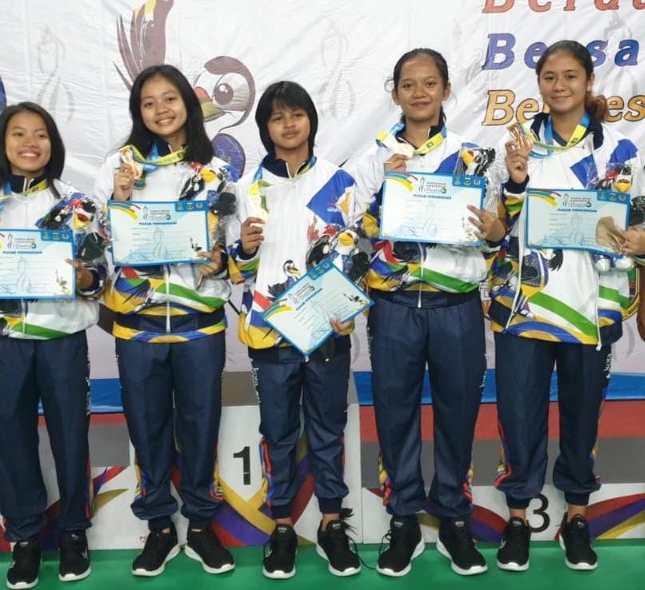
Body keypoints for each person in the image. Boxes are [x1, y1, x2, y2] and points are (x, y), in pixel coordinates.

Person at [490, 40, 645, 572]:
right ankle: (518, 518)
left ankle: (576, 518)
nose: (559, 86)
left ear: (588, 81)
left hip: (592, 308)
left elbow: (641, 221)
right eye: (550, 77)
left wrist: (639, 240)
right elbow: (495, 228)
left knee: (582, 418)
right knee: (518, 415)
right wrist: (515, 181)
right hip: (525, 306)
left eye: (570, 76)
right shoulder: (515, 144)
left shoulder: (621, 151)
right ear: (539, 83)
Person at [349, 48, 505, 577]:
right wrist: (381, 196)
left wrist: (494, 231)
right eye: (409, 84)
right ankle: (404, 518)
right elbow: (353, 238)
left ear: (445, 90)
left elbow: (493, 235)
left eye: (430, 83)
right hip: (393, 306)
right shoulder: (372, 160)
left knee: (458, 413)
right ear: (394, 93)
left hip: (455, 305)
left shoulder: (474, 158)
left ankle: (454, 516)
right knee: (395, 414)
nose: (419, 93)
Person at [93, 65, 236, 577]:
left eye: (170, 98)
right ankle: (158, 526)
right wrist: (120, 200)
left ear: (187, 104)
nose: (161, 110)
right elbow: (94, 244)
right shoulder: (119, 167)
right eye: (149, 102)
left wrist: (221, 261)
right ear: (139, 111)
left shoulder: (217, 170)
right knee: (147, 428)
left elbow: (236, 249)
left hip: (200, 322)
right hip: (139, 324)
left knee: (201, 425)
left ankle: (199, 526)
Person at [227, 81, 361, 579]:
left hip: (326, 330)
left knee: (327, 432)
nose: (288, 124)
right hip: (269, 333)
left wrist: (346, 307)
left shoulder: (339, 182)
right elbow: (234, 271)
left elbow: (352, 257)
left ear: (310, 120)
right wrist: (243, 249)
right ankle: (281, 526)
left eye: (296, 114)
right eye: (277, 116)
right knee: (278, 434)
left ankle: (331, 523)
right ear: (265, 127)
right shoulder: (245, 189)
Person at [0, 101, 108, 588]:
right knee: (10, 438)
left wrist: (85, 276)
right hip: (2, 338)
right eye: (19, 134)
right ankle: (24, 537)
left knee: (71, 437)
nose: (30, 143)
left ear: (53, 143)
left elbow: (102, 274)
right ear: (2, 143)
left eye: (40, 134)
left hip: (62, 337)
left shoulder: (78, 205)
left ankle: (73, 532)